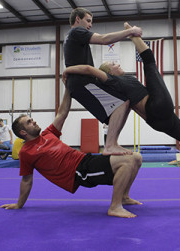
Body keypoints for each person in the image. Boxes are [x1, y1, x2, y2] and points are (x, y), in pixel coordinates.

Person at [62, 22, 180, 183]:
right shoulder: (111, 80)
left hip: (157, 120)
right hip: (157, 106)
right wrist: (67, 70)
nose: (117, 64)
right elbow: (88, 69)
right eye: (114, 63)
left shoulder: (125, 81)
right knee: (150, 63)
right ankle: (132, 36)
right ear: (109, 71)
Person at [0, 87, 143, 218]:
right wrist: (19, 204)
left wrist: (69, 88)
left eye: (32, 119)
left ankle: (124, 197)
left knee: (136, 157)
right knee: (128, 161)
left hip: (85, 160)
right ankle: (115, 207)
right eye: (29, 122)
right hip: (78, 172)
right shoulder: (26, 152)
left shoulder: (48, 134)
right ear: (23, 132)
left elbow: (62, 113)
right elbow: (27, 180)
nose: (34, 122)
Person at [63, 7, 143, 156]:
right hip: (83, 83)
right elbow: (104, 39)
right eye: (88, 21)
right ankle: (110, 145)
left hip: (80, 82)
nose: (90, 25)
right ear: (77, 20)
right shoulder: (76, 32)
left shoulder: (71, 37)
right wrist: (130, 32)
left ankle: (112, 143)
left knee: (122, 103)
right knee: (122, 102)